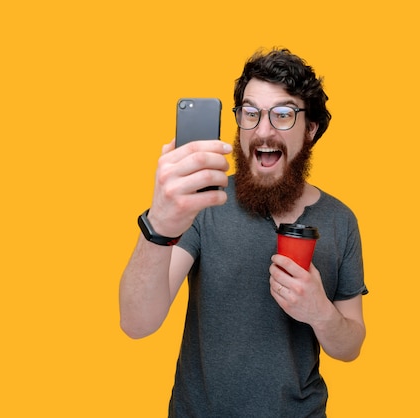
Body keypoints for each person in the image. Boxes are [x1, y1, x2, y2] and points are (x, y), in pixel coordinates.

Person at [119, 48, 368, 417]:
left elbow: (350, 346)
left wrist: (320, 312)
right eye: (250, 114)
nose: (263, 130)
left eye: (283, 115)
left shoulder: (340, 220)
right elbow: (137, 323)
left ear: (310, 129)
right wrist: (160, 224)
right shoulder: (203, 206)